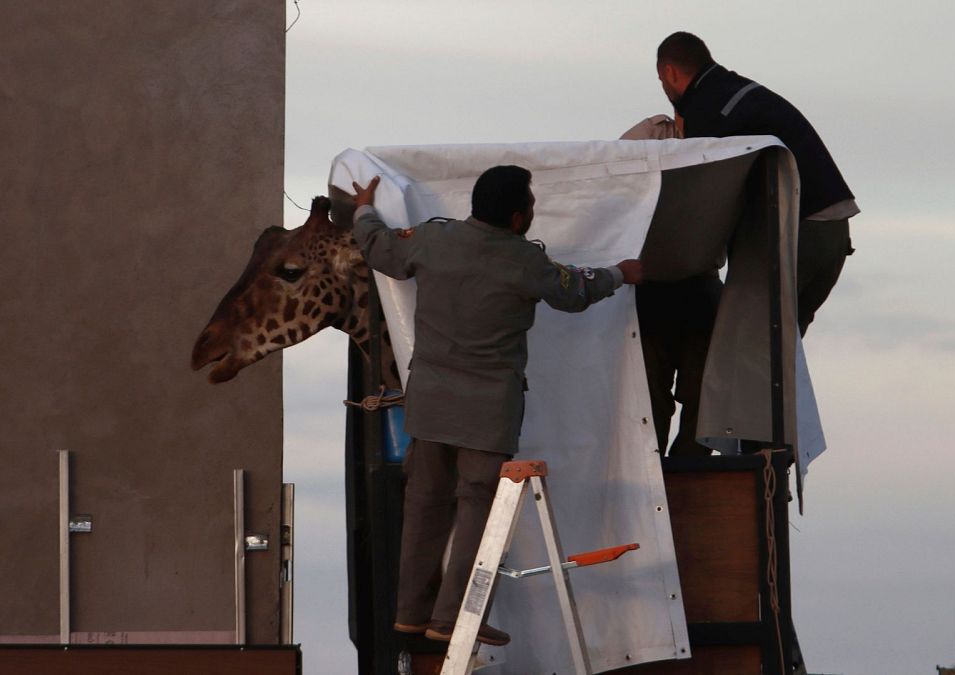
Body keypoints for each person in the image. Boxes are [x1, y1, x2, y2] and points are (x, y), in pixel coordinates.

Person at [350, 166, 642, 647]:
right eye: (529, 203)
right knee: (475, 515)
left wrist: (364, 207)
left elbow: (380, 248)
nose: (533, 210)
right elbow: (575, 292)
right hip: (486, 413)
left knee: (424, 508)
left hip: (429, 406)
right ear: (515, 217)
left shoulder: (432, 240)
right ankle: (449, 618)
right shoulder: (525, 261)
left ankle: (409, 614)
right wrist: (619, 273)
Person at [627, 32, 860, 457]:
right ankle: (760, 456)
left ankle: (743, 459)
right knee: (772, 355)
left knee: (751, 350)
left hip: (797, 232)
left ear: (669, 73)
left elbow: (702, 199)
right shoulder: (736, 94)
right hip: (830, 233)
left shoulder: (707, 111)